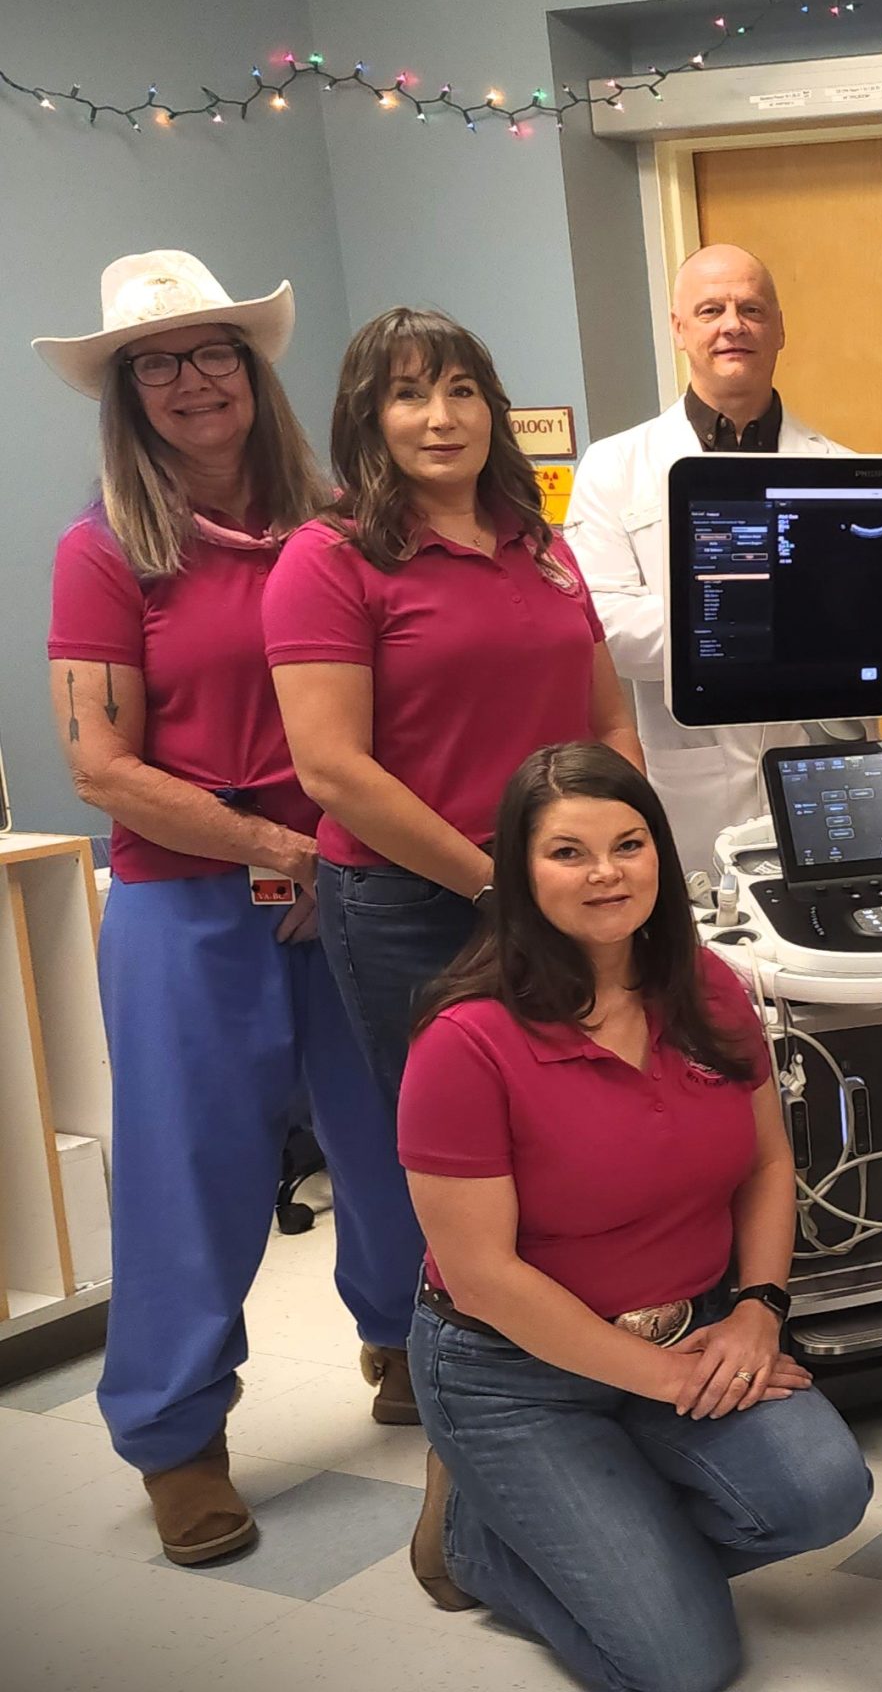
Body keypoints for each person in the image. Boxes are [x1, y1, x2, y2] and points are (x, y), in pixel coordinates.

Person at [37, 249, 424, 1558]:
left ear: (253, 371)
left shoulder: (342, 524)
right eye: (158, 362)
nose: (192, 381)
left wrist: (338, 847)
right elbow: (102, 766)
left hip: (357, 884)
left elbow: (398, 703)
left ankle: (410, 1348)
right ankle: (177, 1437)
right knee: (186, 1184)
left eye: (213, 354)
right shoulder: (101, 552)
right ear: (127, 391)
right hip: (186, 912)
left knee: (396, 1145)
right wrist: (282, 845)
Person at [399, 742, 874, 1692]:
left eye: (628, 844)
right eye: (567, 853)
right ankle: (479, 1540)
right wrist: (660, 1378)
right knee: (682, 1662)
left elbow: (769, 1164)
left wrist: (758, 1309)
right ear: (519, 873)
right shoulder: (466, 1041)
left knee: (824, 1495)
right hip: (510, 1371)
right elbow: (486, 1275)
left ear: (662, 852)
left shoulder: (709, 991)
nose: (606, 873)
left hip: (690, 1325)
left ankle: (596, 1521)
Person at [266, 307, 643, 1116]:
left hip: (558, 882)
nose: (442, 418)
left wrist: (621, 854)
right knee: (463, 1149)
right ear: (368, 419)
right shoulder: (329, 558)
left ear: (491, 411)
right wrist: (495, 886)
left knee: (574, 1123)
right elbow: (332, 768)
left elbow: (608, 722)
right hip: (413, 906)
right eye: (409, 395)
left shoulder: (542, 544)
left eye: (462, 390)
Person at [562, 243, 859, 877]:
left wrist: (733, 629)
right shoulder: (616, 467)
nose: (733, 324)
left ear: (780, 328)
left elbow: (861, 630)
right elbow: (604, 628)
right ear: (679, 329)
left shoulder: (839, 469)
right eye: (710, 309)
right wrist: (768, 626)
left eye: (751, 308)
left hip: (821, 774)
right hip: (681, 784)